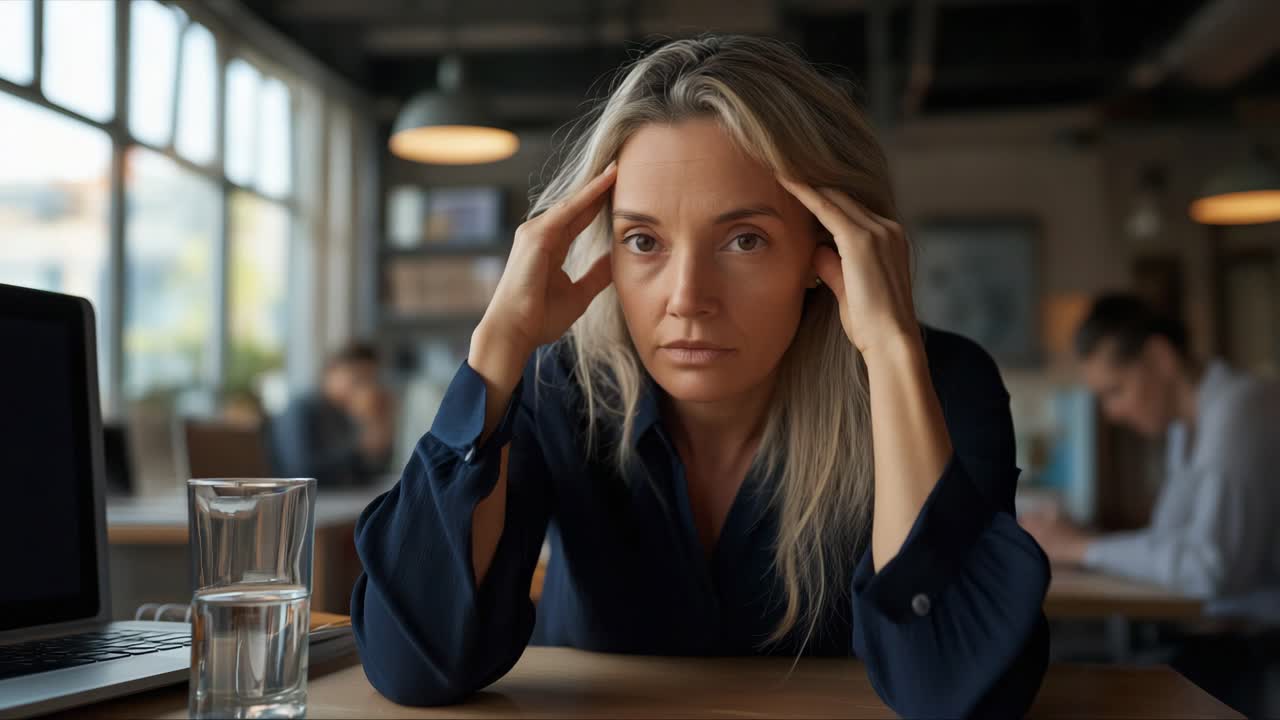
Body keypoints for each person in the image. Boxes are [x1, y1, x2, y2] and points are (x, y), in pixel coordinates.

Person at [351, 35, 1049, 718]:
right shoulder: (557, 386)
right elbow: (415, 664)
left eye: (744, 239)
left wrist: (892, 350)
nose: (687, 297)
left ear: (830, 248)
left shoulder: (941, 385)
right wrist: (498, 347)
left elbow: (953, 693)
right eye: (643, 240)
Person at [1021, 293, 1280, 622]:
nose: (1112, 413)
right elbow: (1166, 538)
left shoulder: (1239, 410)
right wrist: (1080, 538)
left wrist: (1079, 548)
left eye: (1115, 391)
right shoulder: (1184, 428)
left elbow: (1209, 570)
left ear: (1160, 358)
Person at [270, 341, 394, 486]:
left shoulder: (347, 414)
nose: (366, 389)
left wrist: (377, 425)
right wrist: (361, 449)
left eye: (371, 381)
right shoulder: (300, 409)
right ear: (332, 372)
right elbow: (301, 472)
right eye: (358, 379)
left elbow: (373, 472)